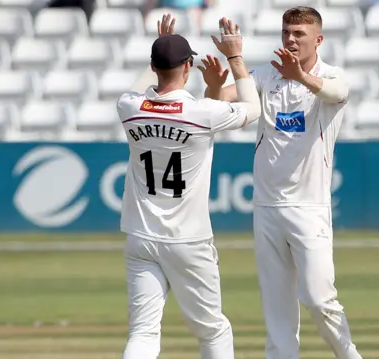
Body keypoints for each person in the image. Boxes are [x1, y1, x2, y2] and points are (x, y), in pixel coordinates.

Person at [200, 6, 363, 359]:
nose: (290, 39)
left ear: (318, 40)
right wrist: (214, 85)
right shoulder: (266, 75)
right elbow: (221, 103)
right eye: (286, 32)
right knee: (277, 311)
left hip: (309, 208)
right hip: (267, 207)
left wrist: (302, 77)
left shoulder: (332, 76)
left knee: (320, 300)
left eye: (299, 34)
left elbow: (336, 94)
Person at [116, 14, 261, 359]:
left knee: (144, 332)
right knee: (213, 330)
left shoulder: (129, 108)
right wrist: (235, 58)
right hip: (189, 240)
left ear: (154, 66)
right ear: (188, 67)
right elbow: (252, 109)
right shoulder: (202, 112)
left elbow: (139, 89)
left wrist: (159, 49)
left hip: (141, 235)